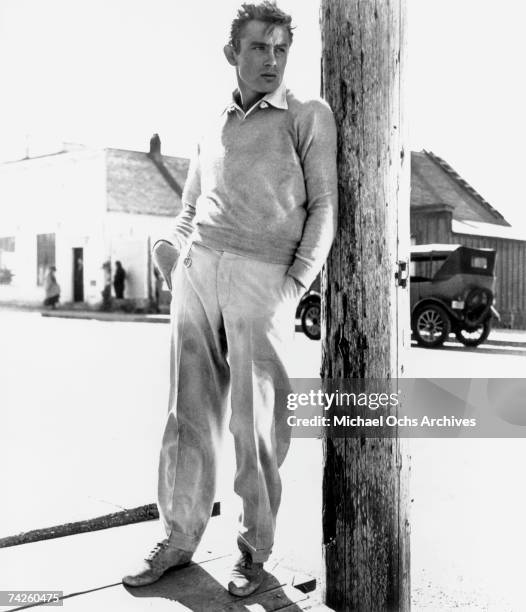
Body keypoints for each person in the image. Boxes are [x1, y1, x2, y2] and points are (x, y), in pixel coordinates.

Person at [123, 1, 338, 597]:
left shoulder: (307, 115)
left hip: (262, 280)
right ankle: (177, 539)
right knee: (186, 417)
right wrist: (170, 250)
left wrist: (292, 284)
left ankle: (254, 551)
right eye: (258, 48)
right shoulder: (211, 123)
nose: (271, 59)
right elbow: (190, 208)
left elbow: (324, 207)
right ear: (231, 54)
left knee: (256, 425)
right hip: (197, 277)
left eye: (280, 49)